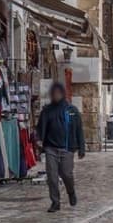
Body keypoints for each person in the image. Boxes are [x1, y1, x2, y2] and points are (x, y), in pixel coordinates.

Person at [35, 80, 86, 211]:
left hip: (67, 148)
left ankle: (71, 192)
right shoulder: (47, 111)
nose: (56, 95)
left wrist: (81, 148)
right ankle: (55, 202)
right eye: (54, 93)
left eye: (58, 93)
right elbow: (40, 128)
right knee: (52, 176)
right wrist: (39, 140)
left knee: (66, 174)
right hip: (51, 148)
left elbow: (79, 130)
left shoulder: (71, 110)